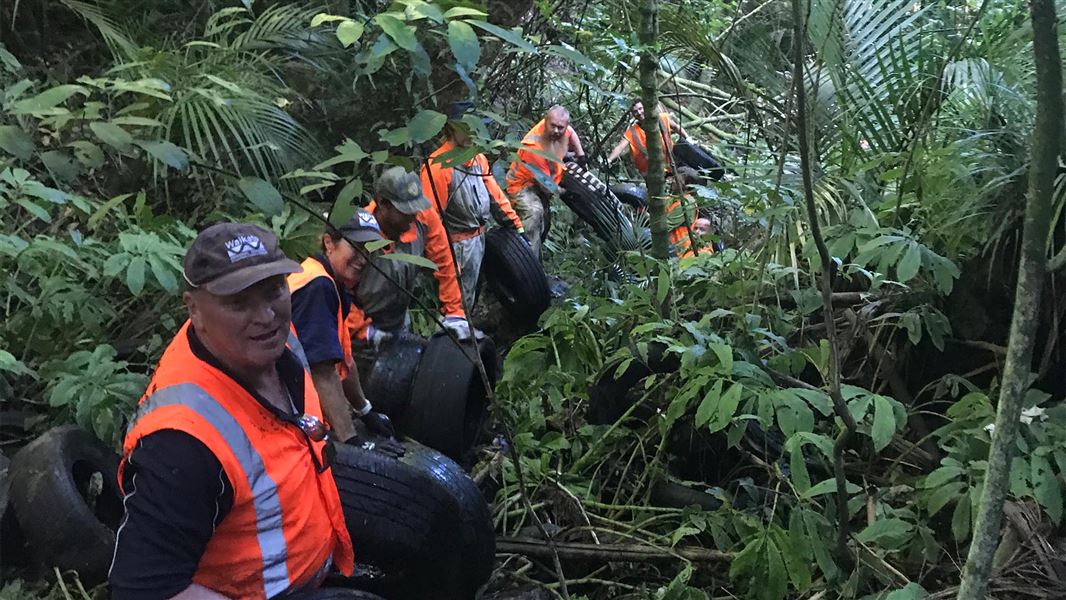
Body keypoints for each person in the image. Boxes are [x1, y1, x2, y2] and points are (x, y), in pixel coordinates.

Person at [110, 223, 354, 599]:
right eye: (238, 302)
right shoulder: (182, 443)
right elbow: (144, 588)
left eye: (274, 289)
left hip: (315, 557)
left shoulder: (266, 340)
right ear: (194, 309)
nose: (266, 316)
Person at [288, 210, 394, 443]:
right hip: (291, 411)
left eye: (368, 250)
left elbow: (343, 362)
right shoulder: (317, 286)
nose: (363, 258)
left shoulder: (330, 282)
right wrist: (351, 439)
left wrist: (365, 410)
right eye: (356, 247)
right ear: (329, 243)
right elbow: (323, 371)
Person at [347, 166, 473, 353]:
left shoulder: (422, 217)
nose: (412, 216)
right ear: (383, 204)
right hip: (356, 334)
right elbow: (338, 292)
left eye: (414, 209)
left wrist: (454, 312)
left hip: (398, 321)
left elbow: (446, 263)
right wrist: (362, 330)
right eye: (404, 211)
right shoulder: (357, 235)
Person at [421, 100, 526, 309]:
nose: (472, 133)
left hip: (478, 241)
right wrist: (442, 258)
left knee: (469, 298)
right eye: (466, 128)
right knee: (452, 304)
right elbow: (428, 219)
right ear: (452, 128)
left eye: (475, 127)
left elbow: (495, 195)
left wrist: (516, 225)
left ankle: (467, 335)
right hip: (453, 247)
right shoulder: (437, 167)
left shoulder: (477, 159)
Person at [505, 104, 587, 255]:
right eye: (553, 126)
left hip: (540, 181)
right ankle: (527, 262)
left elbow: (571, 132)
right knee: (534, 215)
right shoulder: (534, 147)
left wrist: (580, 155)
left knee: (545, 224)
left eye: (560, 128)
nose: (556, 131)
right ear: (545, 121)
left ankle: (533, 257)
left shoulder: (562, 130)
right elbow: (547, 188)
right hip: (521, 186)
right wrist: (567, 193)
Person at [606, 100, 690, 178]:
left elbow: (675, 127)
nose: (639, 113)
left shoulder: (661, 118)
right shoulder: (632, 131)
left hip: (672, 161)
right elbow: (620, 147)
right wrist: (609, 160)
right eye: (635, 111)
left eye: (640, 108)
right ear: (632, 114)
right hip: (653, 172)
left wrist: (688, 138)